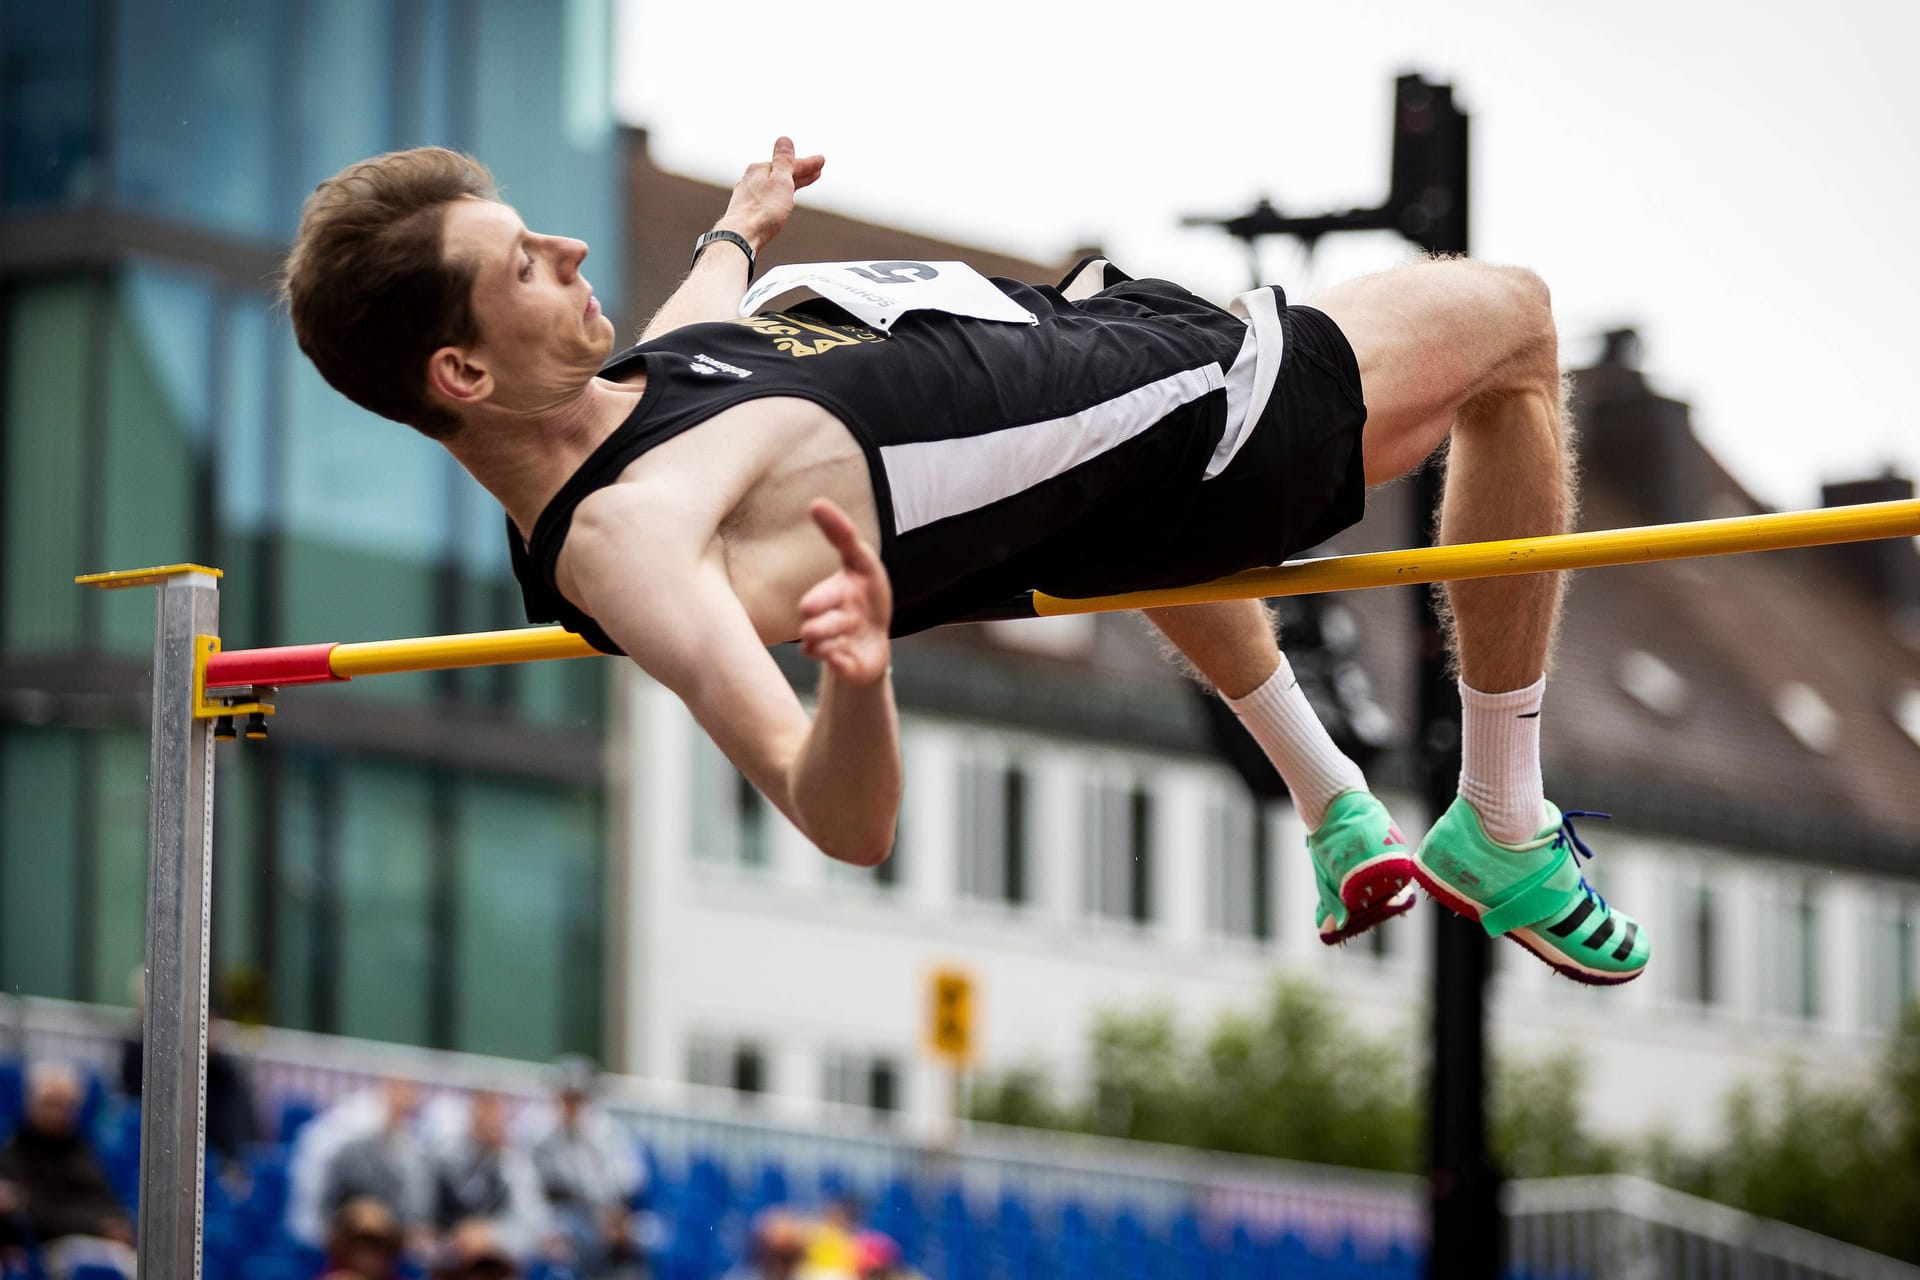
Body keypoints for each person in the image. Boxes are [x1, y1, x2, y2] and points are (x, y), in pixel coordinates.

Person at [280, 138, 1647, 984]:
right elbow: (841, 819)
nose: (568, 247)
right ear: (462, 371)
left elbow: (689, 336)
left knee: (1100, 519)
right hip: (1206, 419)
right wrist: (862, 682)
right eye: (525, 264)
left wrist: (740, 226)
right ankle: (1508, 823)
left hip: (1112, 427)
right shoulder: (636, 538)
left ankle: (1331, 797)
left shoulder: (625, 395)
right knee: (1513, 327)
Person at [0, 1061, 135, 1280]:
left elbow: (107, 1200)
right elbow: (37, 1211)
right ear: (30, 1102)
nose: (56, 1113)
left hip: (100, 1244)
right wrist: (98, 1227)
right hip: (50, 1251)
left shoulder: (83, 1151)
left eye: (64, 1105)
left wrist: (115, 1224)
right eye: (49, 1103)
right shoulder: (14, 1153)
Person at [517, 1057, 646, 1277]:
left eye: (578, 1099)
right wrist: (544, 1230)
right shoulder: (539, 1137)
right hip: (561, 1220)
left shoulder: (609, 1133)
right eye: (567, 1098)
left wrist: (612, 1218)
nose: (572, 1106)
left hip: (606, 1219)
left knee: (641, 1243)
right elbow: (529, 1193)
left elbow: (631, 1181)